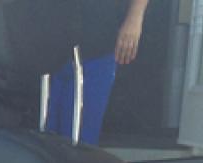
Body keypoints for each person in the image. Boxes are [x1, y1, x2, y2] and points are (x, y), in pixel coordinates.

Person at [45, 0, 149, 145]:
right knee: (37, 142)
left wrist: (134, 18)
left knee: (78, 144)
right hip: (41, 43)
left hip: (94, 45)